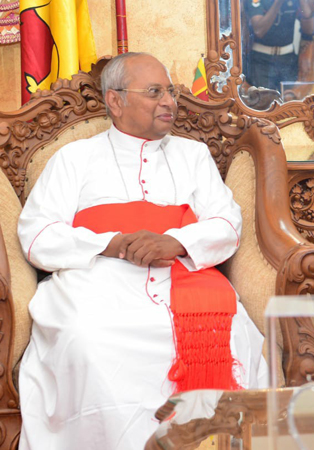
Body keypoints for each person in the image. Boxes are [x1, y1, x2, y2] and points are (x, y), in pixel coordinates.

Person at [17, 52, 268, 449]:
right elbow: (37, 235)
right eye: (155, 92)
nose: (169, 101)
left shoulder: (193, 155)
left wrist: (177, 242)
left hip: (185, 279)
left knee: (236, 331)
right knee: (86, 339)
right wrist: (110, 243)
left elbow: (226, 223)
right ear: (115, 101)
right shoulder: (74, 159)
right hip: (98, 284)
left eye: (170, 91)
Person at [244, 0, 314, 91]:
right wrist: (278, 3)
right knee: (264, 101)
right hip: (262, 61)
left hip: (288, 60)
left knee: (289, 102)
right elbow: (259, 31)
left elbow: (309, 30)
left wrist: (303, 2)